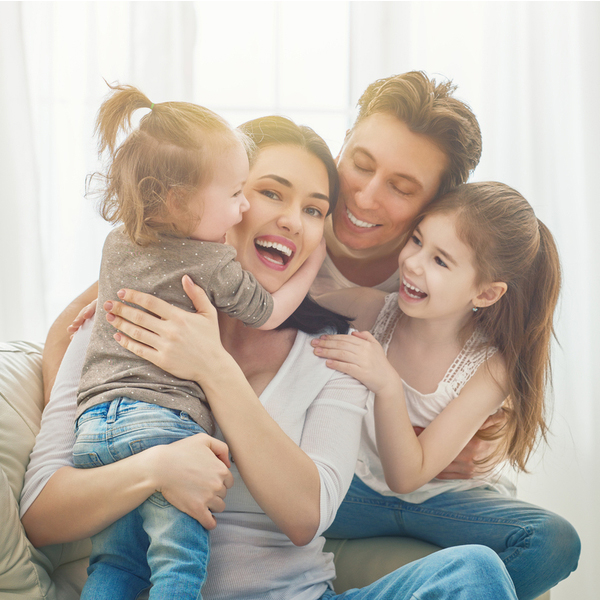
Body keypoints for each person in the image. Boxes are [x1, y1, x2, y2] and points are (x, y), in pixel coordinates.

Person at [21, 117, 518, 600]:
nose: (290, 219)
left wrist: (214, 370)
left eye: (314, 210)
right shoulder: (125, 320)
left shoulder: (334, 348)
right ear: (222, 198)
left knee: (475, 572)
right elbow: (42, 515)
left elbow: (308, 515)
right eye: (271, 193)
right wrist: (156, 469)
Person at [73, 87, 325, 600]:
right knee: (178, 569)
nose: (245, 206)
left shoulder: (116, 245)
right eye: (240, 194)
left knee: (116, 566)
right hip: (164, 427)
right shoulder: (213, 264)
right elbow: (268, 311)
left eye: (316, 211)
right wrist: (317, 263)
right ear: (179, 201)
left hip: (95, 426)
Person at [311, 182, 581, 600]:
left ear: (485, 293)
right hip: (355, 496)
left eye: (440, 260)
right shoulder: (369, 309)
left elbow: (408, 476)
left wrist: (385, 382)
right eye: (417, 241)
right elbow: (290, 302)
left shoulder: (492, 367)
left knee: (555, 541)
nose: (413, 264)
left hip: (445, 503)